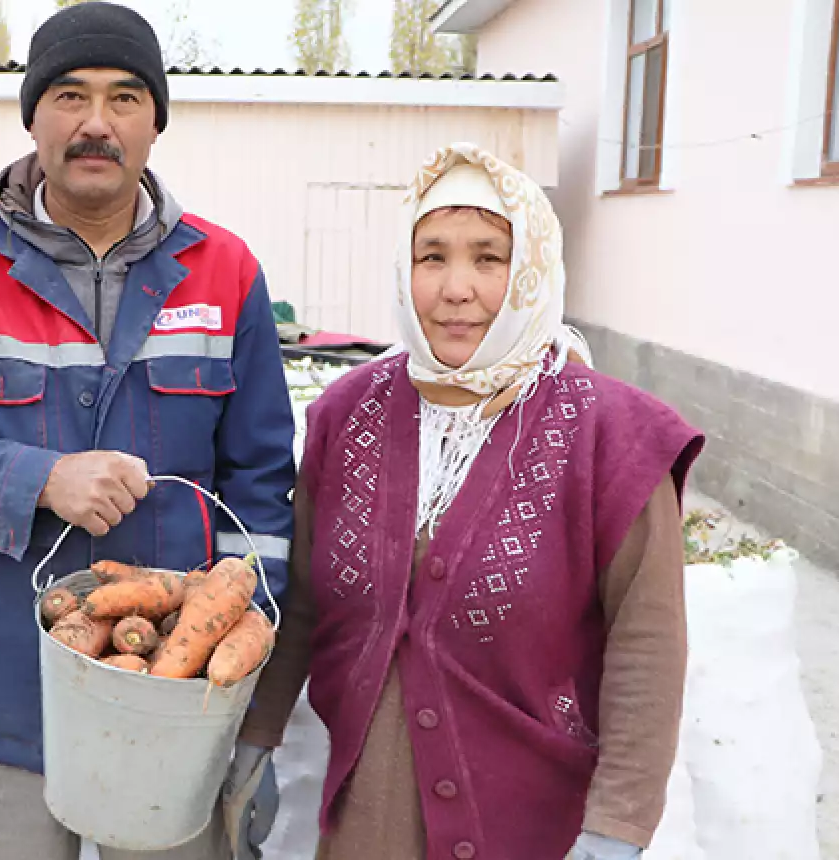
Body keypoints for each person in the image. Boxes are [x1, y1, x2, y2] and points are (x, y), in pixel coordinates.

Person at [0, 4, 295, 859]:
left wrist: (238, 652)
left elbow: (262, 485)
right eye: (69, 95)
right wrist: (36, 479)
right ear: (32, 115)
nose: (97, 123)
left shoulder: (227, 272)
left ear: (156, 122)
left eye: (126, 98)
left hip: (174, 690)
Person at [228, 143, 706, 860]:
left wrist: (616, 828)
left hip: (537, 828)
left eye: (489, 258)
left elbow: (648, 645)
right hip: (370, 824)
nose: (457, 288)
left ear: (532, 270)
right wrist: (256, 740)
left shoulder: (611, 434)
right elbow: (302, 603)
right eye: (432, 257)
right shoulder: (347, 414)